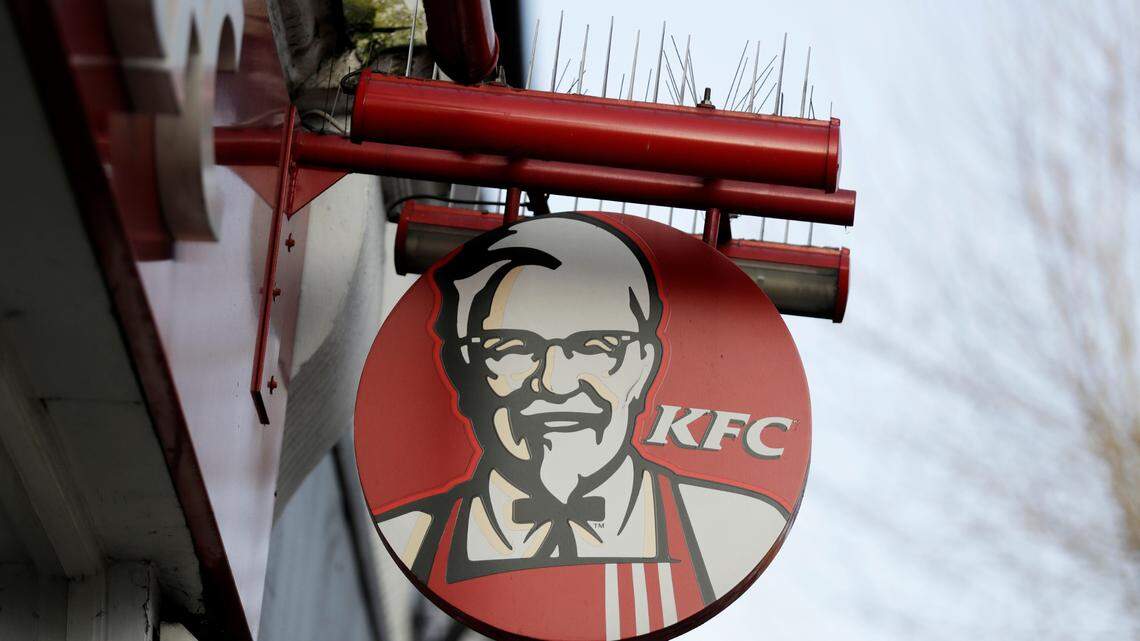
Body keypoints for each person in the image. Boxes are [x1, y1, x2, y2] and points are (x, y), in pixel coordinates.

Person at [375, 214, 787, 639]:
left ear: (643, 366)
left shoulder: (718, 529)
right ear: (466, 367)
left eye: (595, 346)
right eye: (513, 346)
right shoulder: (416, 533)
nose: (555, 382)